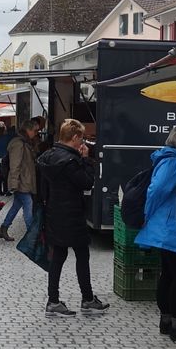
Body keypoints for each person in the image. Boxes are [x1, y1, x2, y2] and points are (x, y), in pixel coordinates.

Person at [35, 119, 110, 318]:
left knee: (58, 257)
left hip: (53, 212)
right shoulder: (71, 160)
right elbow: (86, 182)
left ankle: (53, 301)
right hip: (72, 213)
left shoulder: (47, 157)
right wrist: (86, 159)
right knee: (82, 255)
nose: (82, 142)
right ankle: (87, 299)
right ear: (75, 137)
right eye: (82, 138)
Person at [137, 126, 176, 343]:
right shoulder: (174, 161)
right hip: (173, 228)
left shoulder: (166, 159)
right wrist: (147, 212)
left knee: (169, 274)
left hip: (166, 228)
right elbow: (157, 190)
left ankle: (167, 320)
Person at [0, 121, 39, 239]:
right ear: (28, 130)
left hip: (24, 180)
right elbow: (15, 164)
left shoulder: (25, 142)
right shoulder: (19, 143)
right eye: (35, 131)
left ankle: (3, 228)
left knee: (16, 206)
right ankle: (32, 235)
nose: (36, 134)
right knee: (28, 204)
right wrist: (14, 183)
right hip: (21, 181)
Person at [0, 119, 13, 195]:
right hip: (4, 158)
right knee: (5, 175)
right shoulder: (6, 138)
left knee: (1, 175)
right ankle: (5, 190)